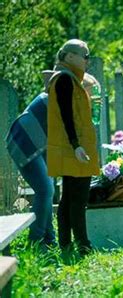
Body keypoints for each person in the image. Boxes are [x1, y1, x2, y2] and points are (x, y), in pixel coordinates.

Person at [47, 39, 100, 255]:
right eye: (84, 55)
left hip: (74, 148)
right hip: (75, 149)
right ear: (69, 57)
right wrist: (77, 146)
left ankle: (66, 246)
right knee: (77, 199)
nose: (88, 60)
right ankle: (83, 245)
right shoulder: (65, 80)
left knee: (69, 198)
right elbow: (67, 116)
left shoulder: (71, 80)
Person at [5, 70, 56, 250]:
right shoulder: (50, 98)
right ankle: (36, 241)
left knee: (49, 189)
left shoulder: (53, 97)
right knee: (45, 190)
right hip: (23, 143)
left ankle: (49, 239)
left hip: (39, 144)